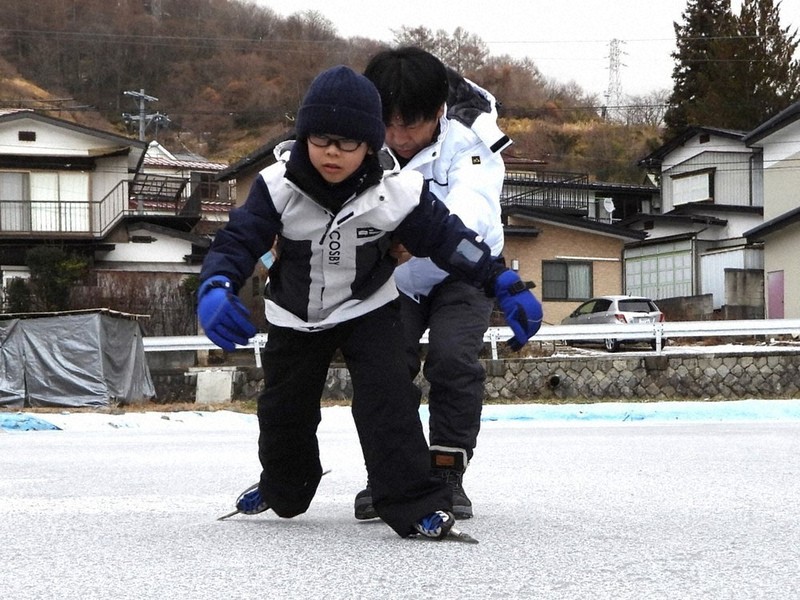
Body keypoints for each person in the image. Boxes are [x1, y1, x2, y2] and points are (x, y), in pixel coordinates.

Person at [196, 65, 542, 541]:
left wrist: (502, 278)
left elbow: (450, 239)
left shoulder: (395, 191)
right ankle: (284, 485)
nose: (333, 153)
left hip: (368, 309)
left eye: (348, 143)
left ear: (369, 145)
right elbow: (236, 240)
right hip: (295, 314)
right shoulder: (276, 186)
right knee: (284, 413)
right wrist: (215, 285)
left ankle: (413, 501)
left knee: (390, 404)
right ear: (303, 137)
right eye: (321, 140)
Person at [353, 47, 514, 521]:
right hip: (394, 275)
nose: (399, 138)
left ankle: (447, 472)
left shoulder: (473, 141)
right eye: (389, 124)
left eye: (412, 124)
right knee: (383, 367)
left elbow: (472, 208)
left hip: (464, 268)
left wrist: (415, 236)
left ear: (439, 112)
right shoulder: (358, 141)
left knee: (452, 358)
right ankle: (390, 472)